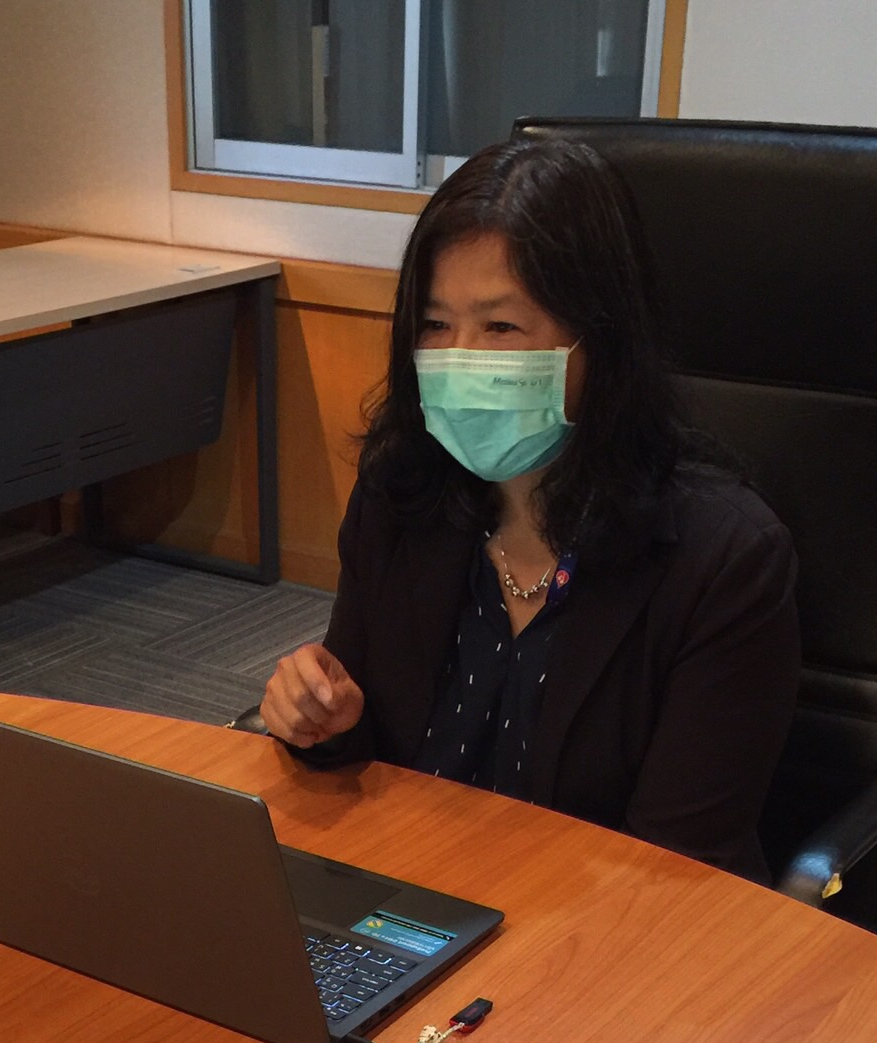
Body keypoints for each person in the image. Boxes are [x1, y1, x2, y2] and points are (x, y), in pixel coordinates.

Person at [262, 136, 800, 883]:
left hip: (599, 922)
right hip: (409, 891)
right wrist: (321, 719)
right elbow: (367, 748)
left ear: (599, 342)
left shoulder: (722, 560)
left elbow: (677, 874)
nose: (459, 359)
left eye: (501, 328)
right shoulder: (401, 496)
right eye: (435, 325)